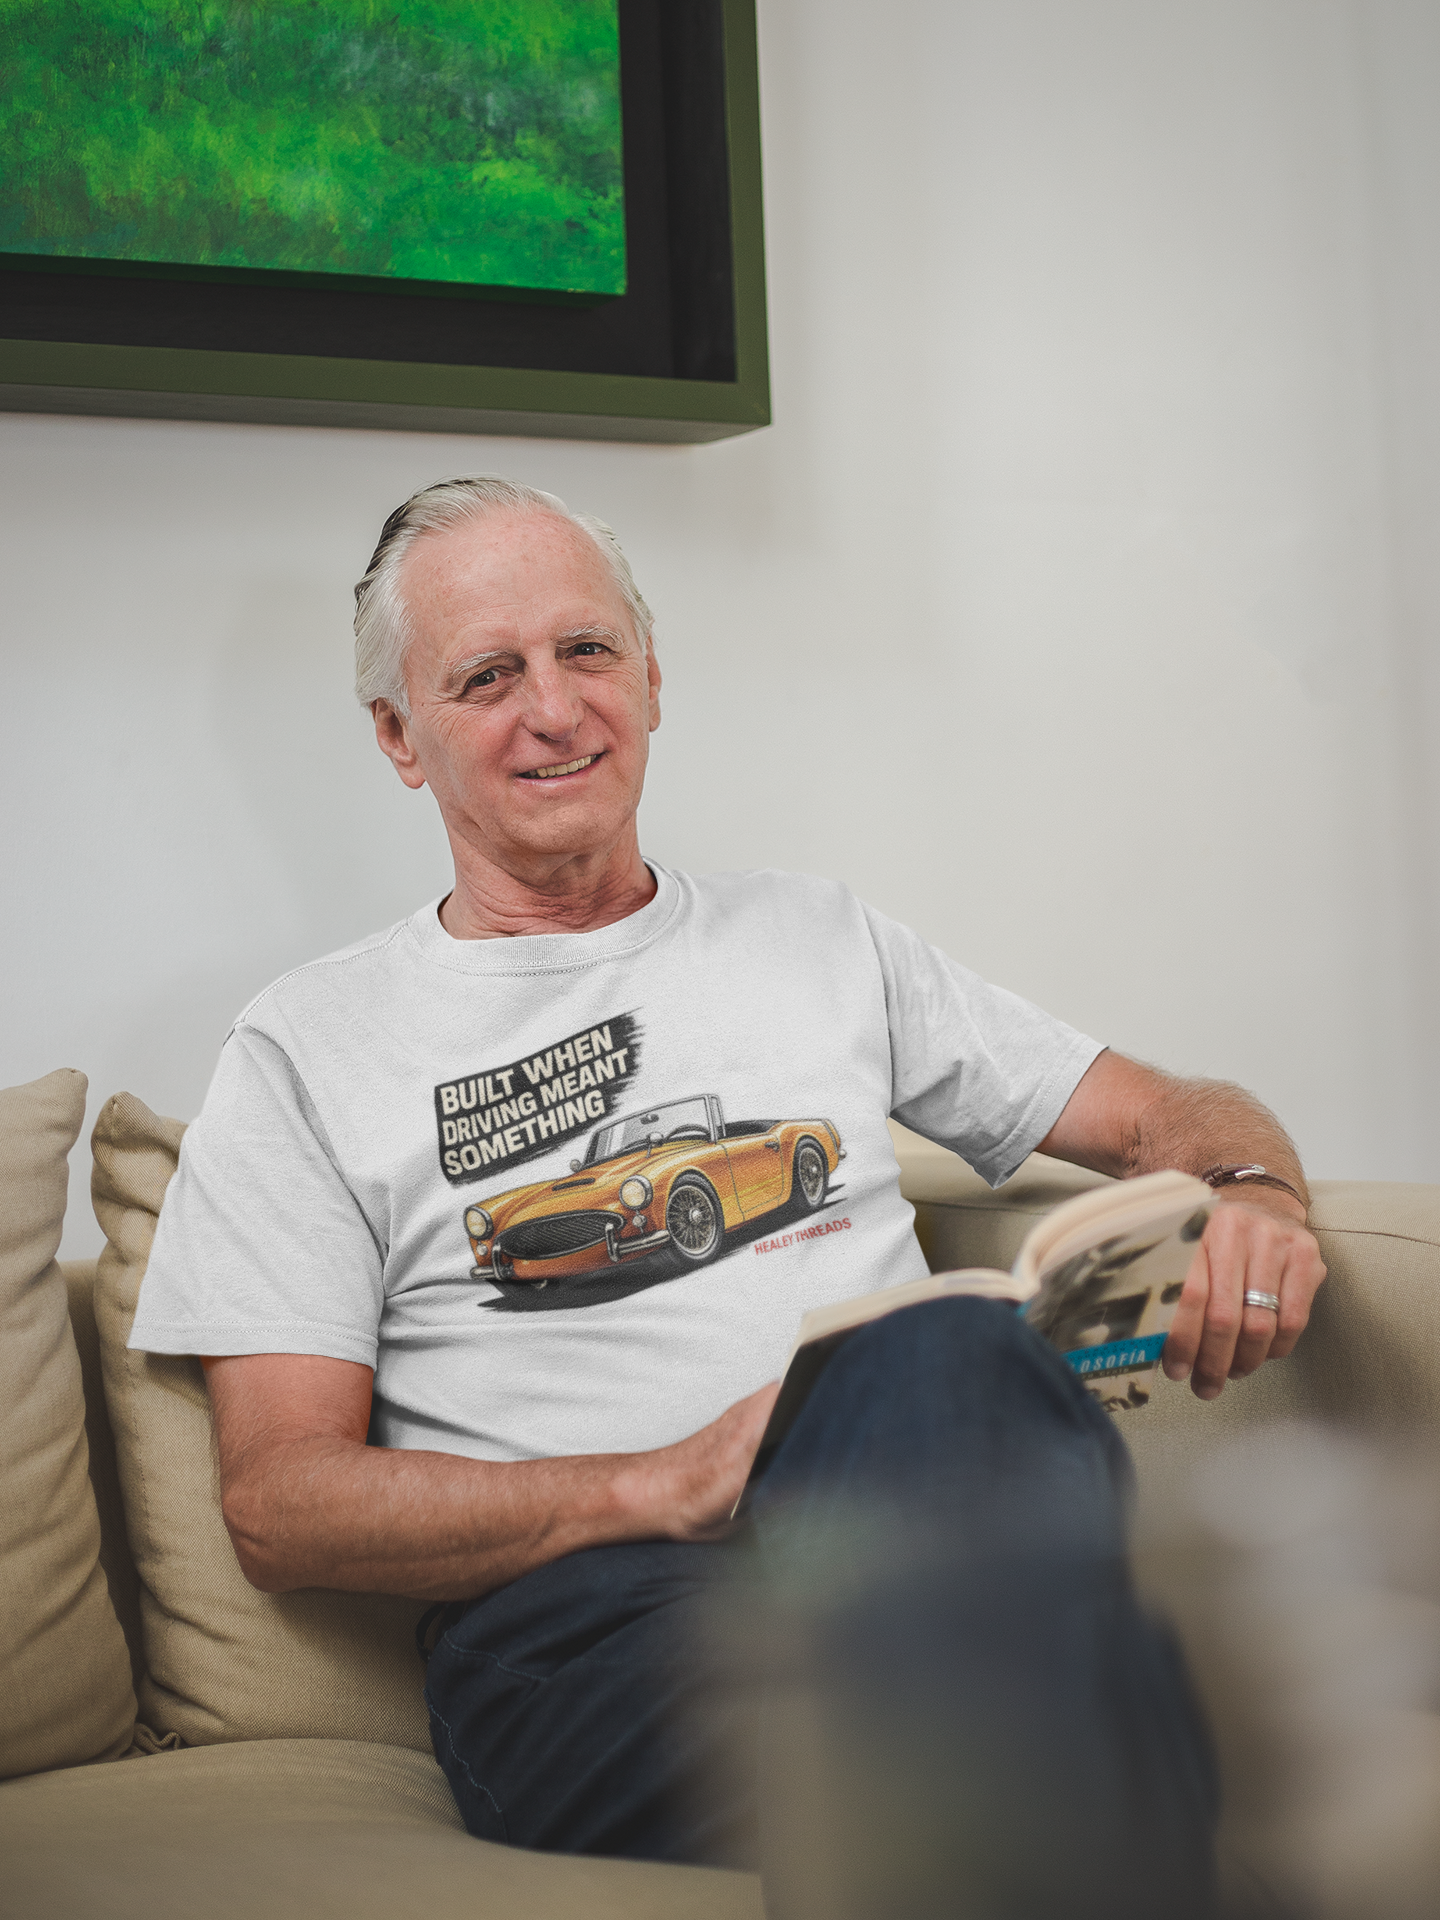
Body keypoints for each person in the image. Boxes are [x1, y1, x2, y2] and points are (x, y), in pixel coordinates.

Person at [131, 476, 1326, 1917]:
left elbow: (1165, 1114)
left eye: (586, 650)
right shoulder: (308, 1047)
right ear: (399, 736)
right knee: (1048, 1706)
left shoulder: (818, 938)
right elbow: (282, 1504)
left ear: (651, 676)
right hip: (600, 1627)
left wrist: (1257, 1195)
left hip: (922, 1530)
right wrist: (663, 1480)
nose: (554, 709)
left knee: (948, 1357)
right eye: (488, 676)